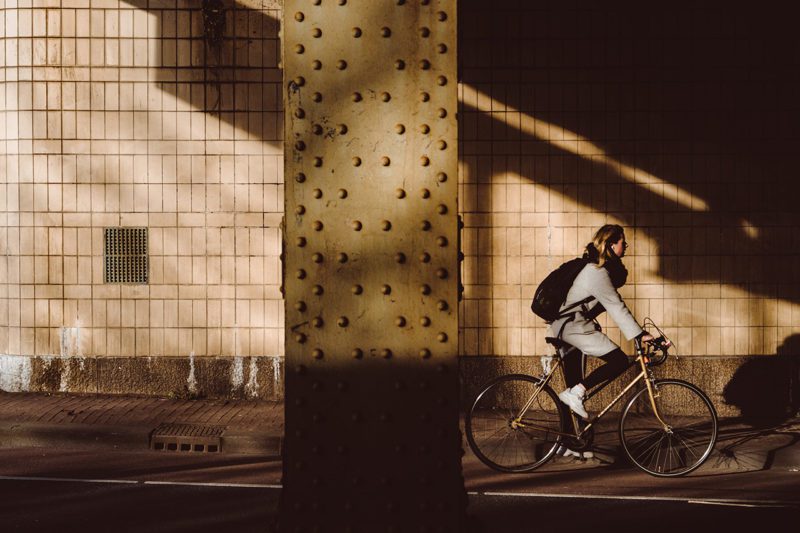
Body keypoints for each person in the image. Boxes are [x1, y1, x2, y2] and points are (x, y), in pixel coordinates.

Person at [548, 224, 653, 420]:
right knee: (619, 361)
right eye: (623, 242)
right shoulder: (596, 272)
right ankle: (576, 394)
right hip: (573, 327)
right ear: (612, 245)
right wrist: (639, 334)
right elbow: (616, 306)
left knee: (572, 385)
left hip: (568, 326)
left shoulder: (598, 269)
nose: (626, 246)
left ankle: (573, 442)